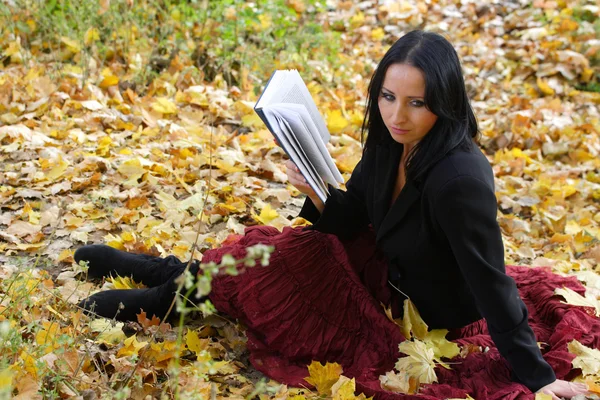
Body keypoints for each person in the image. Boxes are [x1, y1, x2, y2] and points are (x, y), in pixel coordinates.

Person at [76, 31, 591, 399]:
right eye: (388, 97)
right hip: (380, 264)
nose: (397, 115)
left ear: (445, 102)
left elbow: (489, 280)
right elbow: (359, 215)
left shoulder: (460, 180)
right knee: (259, 254)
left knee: (267, 264)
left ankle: (163, 300)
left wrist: (537, 376)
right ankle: (164, 275)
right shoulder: (392, 140)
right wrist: (319, 192)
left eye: (416, 102)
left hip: (414, 310)